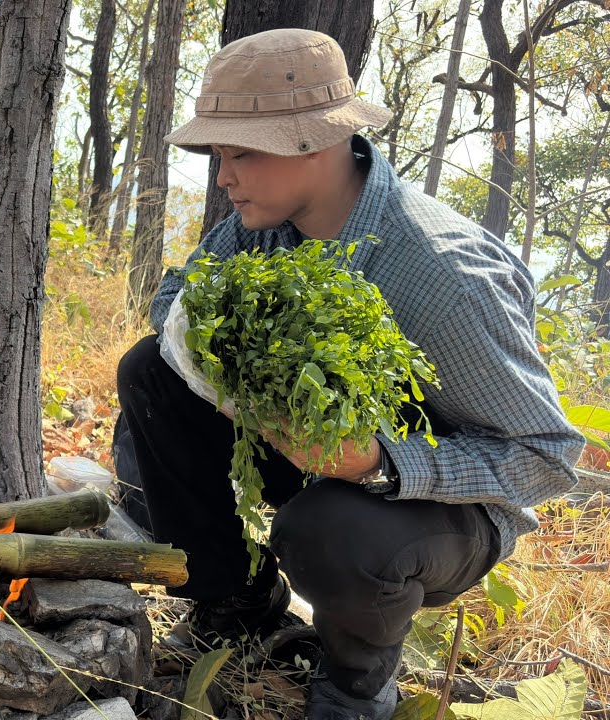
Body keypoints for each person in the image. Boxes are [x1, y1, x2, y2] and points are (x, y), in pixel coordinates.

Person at [115, 28, 584, 720]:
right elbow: (178, 300)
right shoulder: (259, 223)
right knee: (154, 371)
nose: (224, 178)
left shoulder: (440, 274)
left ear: (316, 142)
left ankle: (355, 689)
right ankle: (239, 611)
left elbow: (545, 457)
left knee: (331, 527)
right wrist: (239, 387)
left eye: (242, 153)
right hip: (313, 457)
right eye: (219, 155)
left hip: (444, 510)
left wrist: (374, 461)